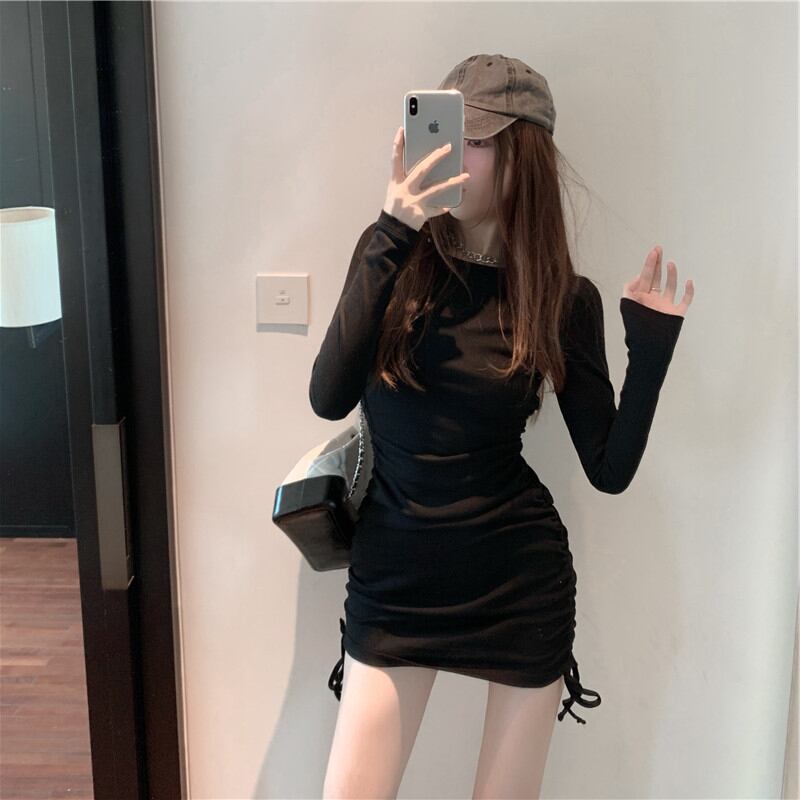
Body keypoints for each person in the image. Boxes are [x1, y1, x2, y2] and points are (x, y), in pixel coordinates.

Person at [311, 53, 694, 800]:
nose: (452, 154)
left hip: (516, 585)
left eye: (476, 140)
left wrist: (649, 353)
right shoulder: (391, 256)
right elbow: (328, 396)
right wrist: (394, 226)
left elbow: (609, 469)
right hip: (394, 581)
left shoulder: (561, 298)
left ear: (524, 157)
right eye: (444, 132)